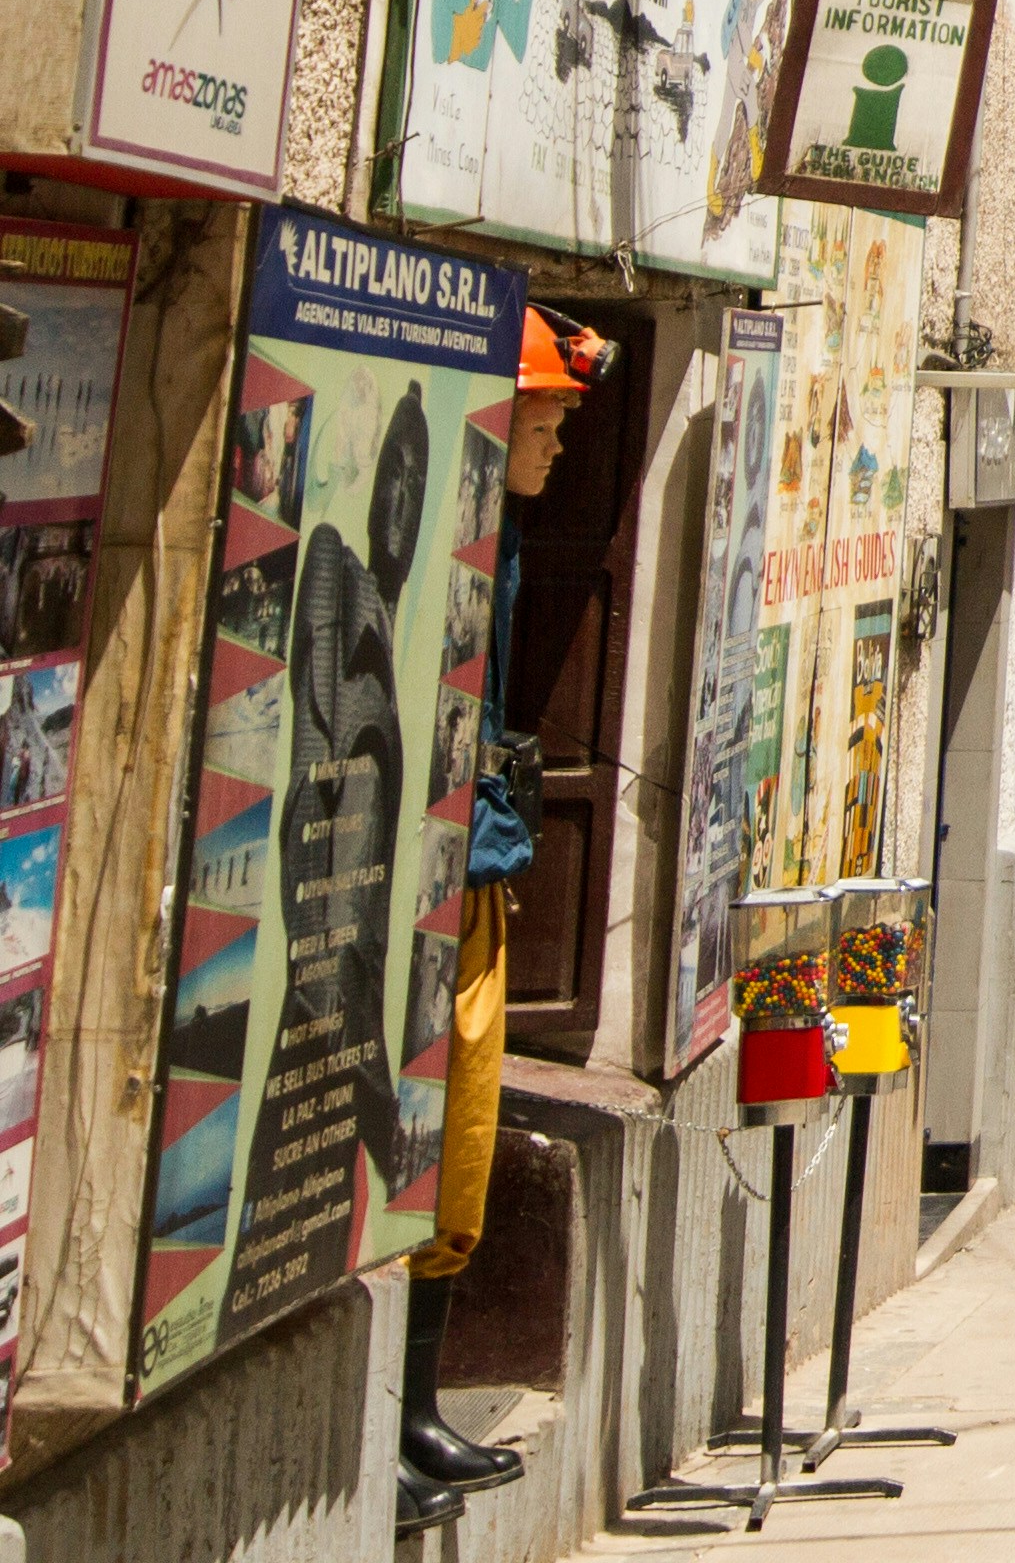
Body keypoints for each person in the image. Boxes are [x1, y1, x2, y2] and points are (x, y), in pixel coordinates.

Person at [404, 306, 602, 1521]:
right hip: (440, 884)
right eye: (548, 421)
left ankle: (421, 1402)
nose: (559, 447)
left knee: (465, 1149)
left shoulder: (510, 539)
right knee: (431, 1139)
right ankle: (405, 1409)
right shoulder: (457, 533)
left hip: (478, 877)